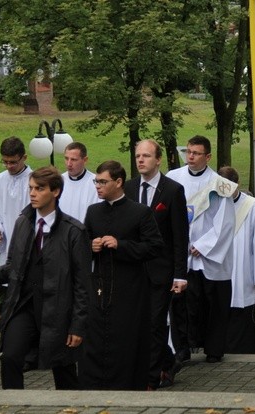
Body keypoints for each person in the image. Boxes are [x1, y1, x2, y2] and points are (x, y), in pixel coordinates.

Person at [0, 167, 90, 390]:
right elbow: (12, 267)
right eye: (31, 188)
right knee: (9, 357)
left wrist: (77, 326)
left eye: (40, 188)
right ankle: (13, 408)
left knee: (64, 369)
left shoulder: (73, 231)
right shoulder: (23, 223)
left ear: (55, 192)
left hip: (58, 310)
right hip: (24, 305)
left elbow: (82, 284)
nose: (33, 194)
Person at [80, 161, 164, 390]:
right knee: (97, 336)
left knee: (126, 338)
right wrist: (91, 245)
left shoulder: (139, 212)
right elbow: (81, 245)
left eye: (103, 181)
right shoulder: (93, 211)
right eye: (96, 181)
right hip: (100, 286)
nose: (98, 186)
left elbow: (154, 247)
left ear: (118, 182)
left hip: (130, 288)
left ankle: (129, 382)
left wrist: (122, 245)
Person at [123, 139, 188, 390]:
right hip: (134, 270)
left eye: (146, 156)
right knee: (139, 323)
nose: (140, 160)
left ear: (158, 159)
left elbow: (180, 236)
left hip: (161, 270)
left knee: (155, 322)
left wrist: (180, 274)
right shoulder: (128, 188)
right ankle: (169, 361)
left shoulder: (172, 190)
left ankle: (150, 378)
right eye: (138, 155)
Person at [166, 135, 236, 363]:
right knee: (181, 305)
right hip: (181, 253)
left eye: (196, 153)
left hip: (208, 256)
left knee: (211, 304)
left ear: (208, 156)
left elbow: (225, 222)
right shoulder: (173, 178)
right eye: (188, 152)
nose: (191, 157)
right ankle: (182, 349)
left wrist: (202, 245)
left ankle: (213, 349)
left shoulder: (220, 184)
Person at [217, 166, 255, 354]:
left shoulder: (252, 206)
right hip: (219, 267)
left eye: (228, 186)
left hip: (244, 269)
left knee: (242, 308)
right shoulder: (213, 202)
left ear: (237, 184)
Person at [0, 137, 33, 265]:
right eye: (5, 162)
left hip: (29, 242)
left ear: (24, 157)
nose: (8, 166)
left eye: (13, 162)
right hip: (6, 241)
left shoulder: (34, 181)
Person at [61, 142, 100, 222]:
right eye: (66, 158)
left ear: (85, 160)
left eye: (73, 159)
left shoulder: (96, 183)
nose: (69, 164)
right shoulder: (58, 181)